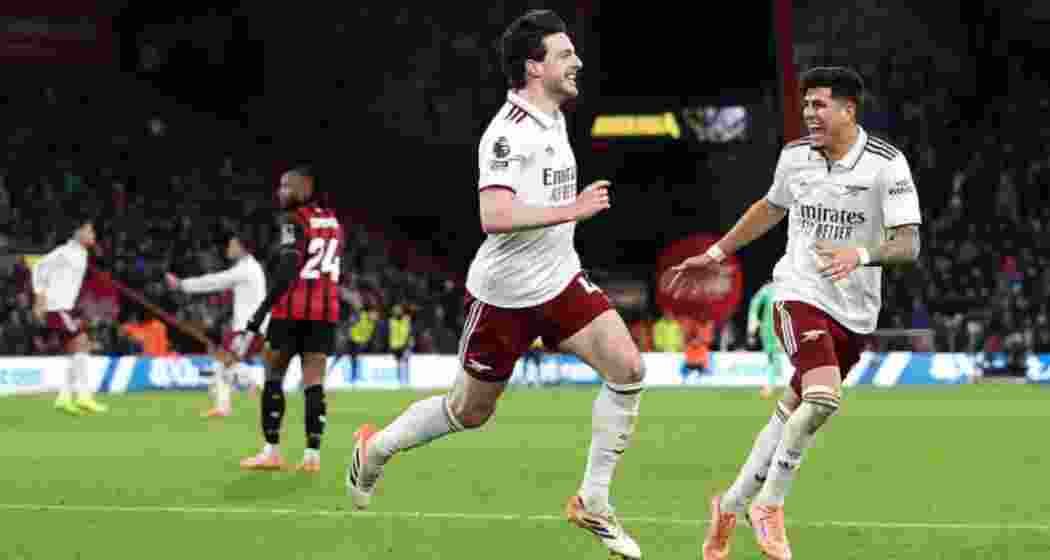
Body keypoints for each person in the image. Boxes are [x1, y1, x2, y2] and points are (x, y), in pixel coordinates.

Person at [346, 10, 645, 559]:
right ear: (534, 67)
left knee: (629, 370)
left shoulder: (554, 116)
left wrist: (566, 223)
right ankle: (376, 449)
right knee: (470, 412)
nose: (576, 61)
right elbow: (495, 214)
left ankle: (593, 502)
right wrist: (572, 209)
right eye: (564, 54)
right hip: (506, 296)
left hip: (560, 281)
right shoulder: (507, 134)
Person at [668, 67, 922, 560]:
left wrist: (861, 255)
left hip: (855, 310)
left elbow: (909, 243)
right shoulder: (795, 157)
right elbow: (770, 207)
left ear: (849, 110)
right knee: (823, 398)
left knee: (795, 411)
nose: (809, 114)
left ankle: (729, 504)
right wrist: (718, 253)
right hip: (799, 291)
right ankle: (769, 505)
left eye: (820, 105)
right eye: (806, 105)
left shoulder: (887, 165)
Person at [233, 166, 344, 473]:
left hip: (290, 311)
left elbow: (289, 268)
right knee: (314, 382)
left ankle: (271, 452)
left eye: (287, 186)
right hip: (324, 314)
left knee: (273, 376)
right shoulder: (333, 220)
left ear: (306, 188)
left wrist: (258, 315)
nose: (280, 192)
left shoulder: (293, 221)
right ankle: (312, 457)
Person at [166, 230, 267, 417]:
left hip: (247, 329)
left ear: (242, 248)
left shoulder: (245, 269)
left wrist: (181, 285)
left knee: (226, 363)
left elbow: (215, 282)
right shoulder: (251, 268)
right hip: (252, 328)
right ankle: (223, 407)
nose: (229, 248)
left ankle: (256, 384)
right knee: (222, 365)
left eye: (233, 244)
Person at [32, 215, 107, 415]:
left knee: (77, 351)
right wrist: (39, 298)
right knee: (81, 343)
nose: (93, 234)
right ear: (78, 232)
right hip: (58, 307)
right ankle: (82, 397)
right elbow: (39, 267)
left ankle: (66, 398)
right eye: (90, 230)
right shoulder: (64, 252)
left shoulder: (82, 253)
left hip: (67, 307)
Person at [748, 281, 784, 399]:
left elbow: (755, 303)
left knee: (774, 358)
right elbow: (755, 303)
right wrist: (753, 320)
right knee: (773, 357)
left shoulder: (790, 287)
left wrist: (753, 321)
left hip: (775, 328)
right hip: (771, 329)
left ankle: (771, 385)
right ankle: (771, 385)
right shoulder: (769, 289)